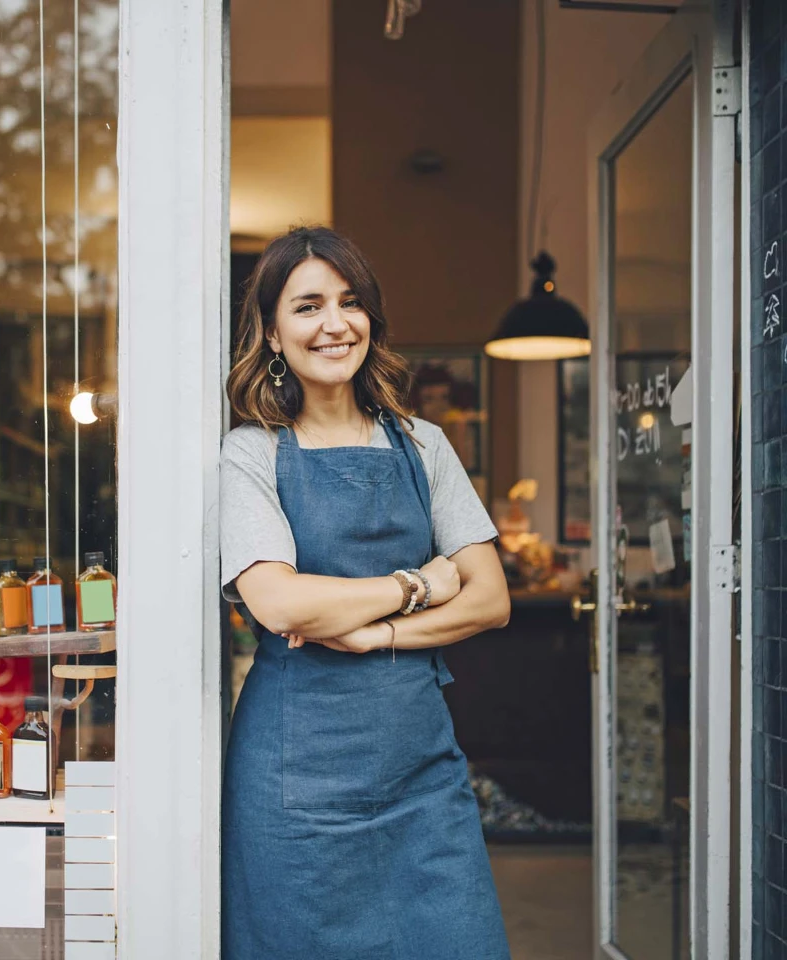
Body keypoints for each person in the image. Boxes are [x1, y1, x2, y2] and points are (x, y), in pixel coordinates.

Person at [220, 226, 512, 960]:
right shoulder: (251, 451)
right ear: (273, 332)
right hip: (295, 778)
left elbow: (488, 599)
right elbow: (277, 603)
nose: (333, 324)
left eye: (350, 303)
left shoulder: (422, 443)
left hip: (420, 770)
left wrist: (374, 633)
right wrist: (419, 584)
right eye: (308, 305)